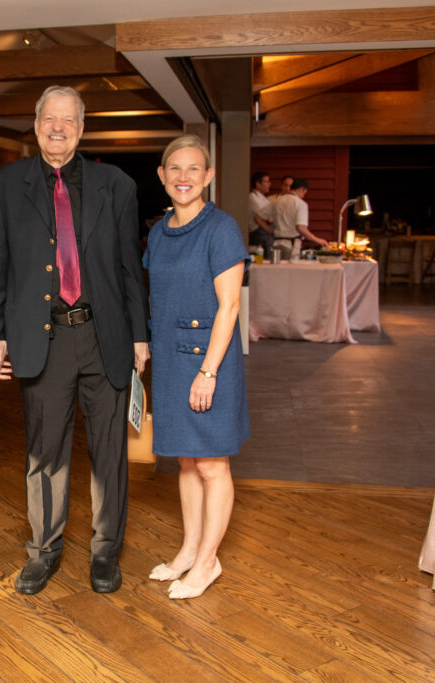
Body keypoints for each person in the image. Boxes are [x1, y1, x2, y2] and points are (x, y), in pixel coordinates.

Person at [0, 85, 149, 595]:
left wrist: (140, 335)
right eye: (49, 119)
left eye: (68, 120)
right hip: (42, 340)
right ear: (35, 125)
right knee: (44, 453)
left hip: (105, 336)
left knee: (109, 452)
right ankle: (44, 551)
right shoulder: (6, 185)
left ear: (82, 127)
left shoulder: (115, 184)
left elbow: (128, 267)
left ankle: (104, 553)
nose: (58, 127)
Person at [143, 135, 249, 600]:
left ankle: (207, 563)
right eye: (175, 169)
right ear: (163, 177)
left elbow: (229, 308)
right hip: (169, 358)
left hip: (209, 362)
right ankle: (189, 550)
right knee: (186, 461)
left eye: (194, 169)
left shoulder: (221, 229)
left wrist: (207, 373)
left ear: (208, 177)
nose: (183, 177)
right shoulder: (158, 230)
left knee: (211, 463)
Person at [272, 177, 328, 258]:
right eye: (304, 193)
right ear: (302, 189)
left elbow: (258, 217)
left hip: (276, 243)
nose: (303, 196)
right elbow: (300, 228)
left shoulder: (276, 201)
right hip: (291, 245)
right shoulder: (300, 204)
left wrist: (270, 230)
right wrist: (318, 240)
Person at [248, 171, 275, 254]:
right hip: (258, 233)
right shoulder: (253, 197)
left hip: (264, 232)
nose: (269, 184)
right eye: (266, 181)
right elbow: (267, 218)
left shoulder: (263, 197)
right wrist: (271, 230)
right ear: (258, 184)